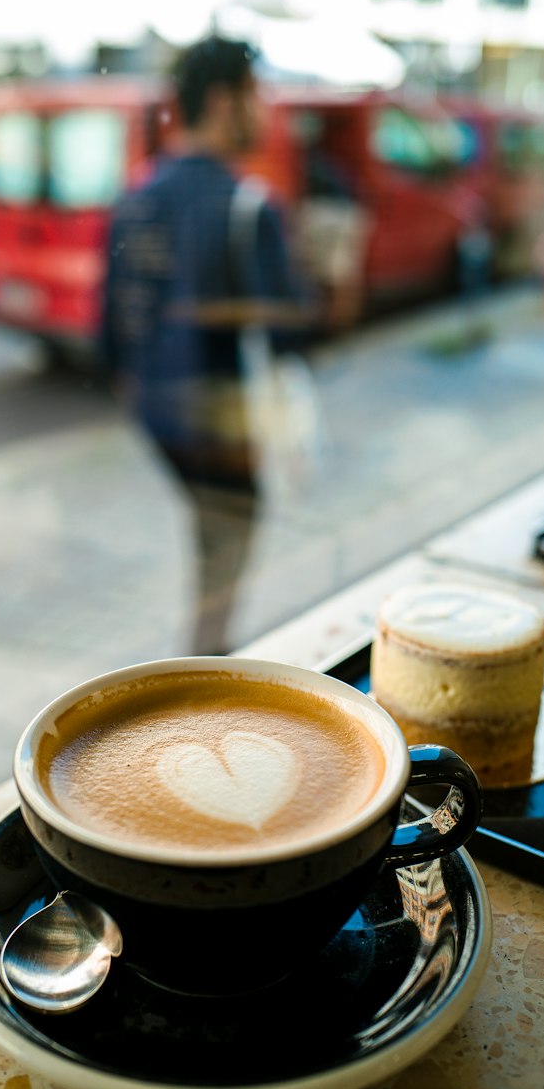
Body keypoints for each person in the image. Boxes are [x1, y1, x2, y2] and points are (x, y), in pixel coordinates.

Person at [100, 34, 311, 655]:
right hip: (224, 423)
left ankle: (205, 653)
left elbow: (110, 337)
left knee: (214, 535)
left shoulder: (136, 200)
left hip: (160, 421)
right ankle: (204, 674)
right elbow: (293, 331)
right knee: (228, 544)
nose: (264, 110)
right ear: (223, 102)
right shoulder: (249, 206)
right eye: (255, 95)